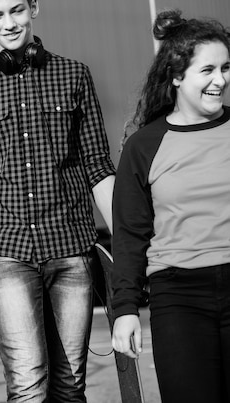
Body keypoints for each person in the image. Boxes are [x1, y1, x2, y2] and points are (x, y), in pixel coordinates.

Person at [0, 0, 116, 401]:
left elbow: (98, 166)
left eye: (17, 10)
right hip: (5, 252)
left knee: (69, 385)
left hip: (70, 248)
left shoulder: (75, 75)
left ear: (34, 8)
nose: (9, 23)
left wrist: (128, 249)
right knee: (28, 386)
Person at [111, 9, 230, 403]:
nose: (221, 80)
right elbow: (130, 235)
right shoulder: (144, 145)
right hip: (178, 299)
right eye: (208, 70)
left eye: (226, 68)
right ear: (177, 76)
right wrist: (125, 308)